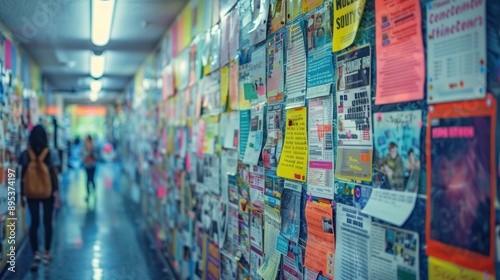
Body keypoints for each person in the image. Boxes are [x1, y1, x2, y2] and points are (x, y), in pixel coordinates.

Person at [19, 125, 61, 269]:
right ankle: (47, 253)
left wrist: (21, 195)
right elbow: (54, 174)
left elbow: (21, 176)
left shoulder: (25, 154)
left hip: (31, 192)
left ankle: (36, 253)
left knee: (34, 223)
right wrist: (57, 194)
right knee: (48, 222)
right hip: (47, 191)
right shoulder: (51, 153)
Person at [82, 135, 98, 201]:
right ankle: (88, 194)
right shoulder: (84, 147)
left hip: (92, 165)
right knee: (88, 179)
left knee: (91, 179)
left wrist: (90, 153)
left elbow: (96, 156)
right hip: (87, 166)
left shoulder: (94, 147)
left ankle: (93, 192)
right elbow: (82, 155)